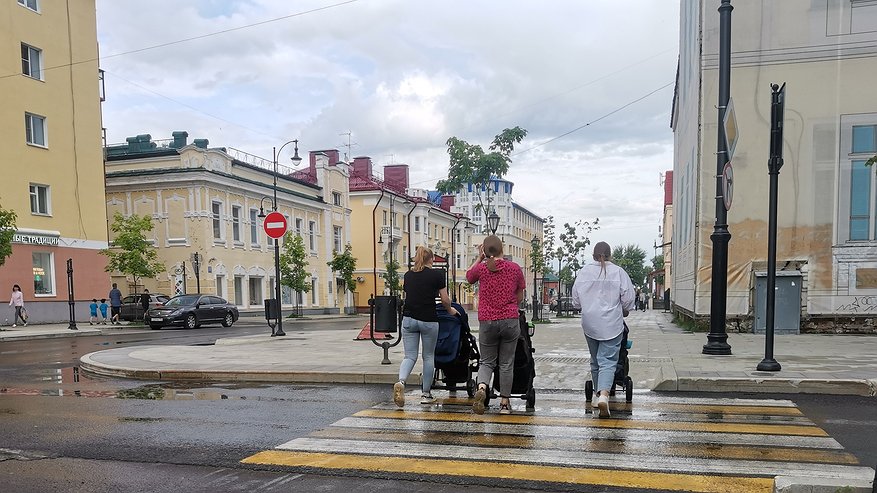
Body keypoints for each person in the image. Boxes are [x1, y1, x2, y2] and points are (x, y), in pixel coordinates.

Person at [571, 241, 635, 418]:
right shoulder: (618, 272)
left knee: (595, 359)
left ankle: (598, 394)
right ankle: (604, 396)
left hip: (589, 322)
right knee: (607, 360)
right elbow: (628, 299)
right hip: (611, 323)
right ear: (610, 255)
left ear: (593, 255)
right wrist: (623, 309)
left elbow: (575, 301)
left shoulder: (583, 272)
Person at [466, 235, 525, 415]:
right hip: (509, 320)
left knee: (486, 361)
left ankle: (482, 387)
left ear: (486, 250)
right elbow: (520, 297)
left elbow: (469, 277)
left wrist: (479, 257)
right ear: (502, 248)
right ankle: (504, 404)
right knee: (507, 363)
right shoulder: (515, 268)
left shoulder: (482, 269)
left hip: (487, 321)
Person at [393, 246, 459, 408]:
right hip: (428, 320)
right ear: (432, 259)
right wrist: (450, 310)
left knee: (409, 356)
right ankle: (426, 394)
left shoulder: (408, 275)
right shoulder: (437, 275)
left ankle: (401, 382)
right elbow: (444, 299)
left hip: (408, 319)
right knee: (428, 357)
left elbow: (410, 294)